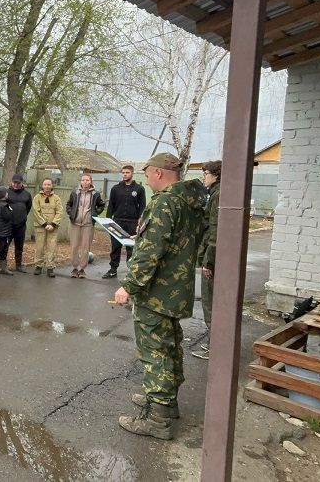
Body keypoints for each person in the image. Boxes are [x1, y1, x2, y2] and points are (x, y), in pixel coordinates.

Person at [113, 152, 207, 440]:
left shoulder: (164, 202)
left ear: (159, 173)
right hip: (176, 289)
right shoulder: (190, 202)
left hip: (157, 291)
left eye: (147, 175)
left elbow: (151, 253)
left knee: (155, 351)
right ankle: (166, 403)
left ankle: (157, 419)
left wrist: (129, 286)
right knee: (170, 346)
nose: (146, 180)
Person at [193, 160, 221, 359]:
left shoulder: (218, 195)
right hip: (212, 255)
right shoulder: (215, 194)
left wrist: (208, 261)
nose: (204, 177)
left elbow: (214, 230)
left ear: (216, 175)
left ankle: (216, 348)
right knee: (210, 302)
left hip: (213, 257)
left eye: (206, 173)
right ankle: (214, 343)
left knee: (210, 303)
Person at [103, 165, 146, 278]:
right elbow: (111, 206)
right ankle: (113, 269)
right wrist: (108, 220)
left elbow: (142, 206)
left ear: (132, 173)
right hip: (117, 221)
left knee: (131, 248)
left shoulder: (139, 189)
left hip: (132, 222)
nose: (125, 174)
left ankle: (131, 271)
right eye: (123, 173)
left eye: (127, 172)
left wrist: (140, 221)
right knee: (115, 246)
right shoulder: (115, 188)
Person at [66, 174, 105, 279]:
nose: (85, 182)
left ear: (91, 181)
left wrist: (95, 213)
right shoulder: (75, 193)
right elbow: (68, 204)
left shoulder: (95, 194)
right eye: (83, 180)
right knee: (74, 246)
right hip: (75, 224)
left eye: (87, 180)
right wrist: (71, 213)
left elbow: (101, 205)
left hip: (88, 224)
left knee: (85, 247)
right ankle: (75, 267)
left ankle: (82, 269)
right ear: (81, 181)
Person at [31, 178, 64, 278]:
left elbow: (59, 212)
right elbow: (36, 212)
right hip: (40, 227)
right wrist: (44, 224)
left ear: (52, 186)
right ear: (42, 186)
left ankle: (50, 267)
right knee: (39, 247)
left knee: (51, 247)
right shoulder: (37, 197)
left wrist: (53, 224)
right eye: (45, 184)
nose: (47, 186)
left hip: (52, 227)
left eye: (49, 184)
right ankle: (38, 266)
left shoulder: (56, 198)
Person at [7, 174, 33, 272]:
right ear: (11, 182)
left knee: (19, 246)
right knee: (5, 245)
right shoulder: (6, 192)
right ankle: (3, 265)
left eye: (18, 183)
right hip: (8, 224)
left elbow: (28, 207)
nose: (16, 185)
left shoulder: (27, 194)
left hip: (21, 225)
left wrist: (22, 217)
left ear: (22, 183)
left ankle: (18, 265)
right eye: (14, 182)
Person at [0, 186, 15, 276]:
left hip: (4, 231)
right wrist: (11, 211)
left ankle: (3, 267)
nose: (8, 194)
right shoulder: (3, 206)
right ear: (4, 195)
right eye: (6, 193)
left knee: (4, 249)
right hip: (0, 232)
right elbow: (7, 217)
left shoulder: (0, 204)